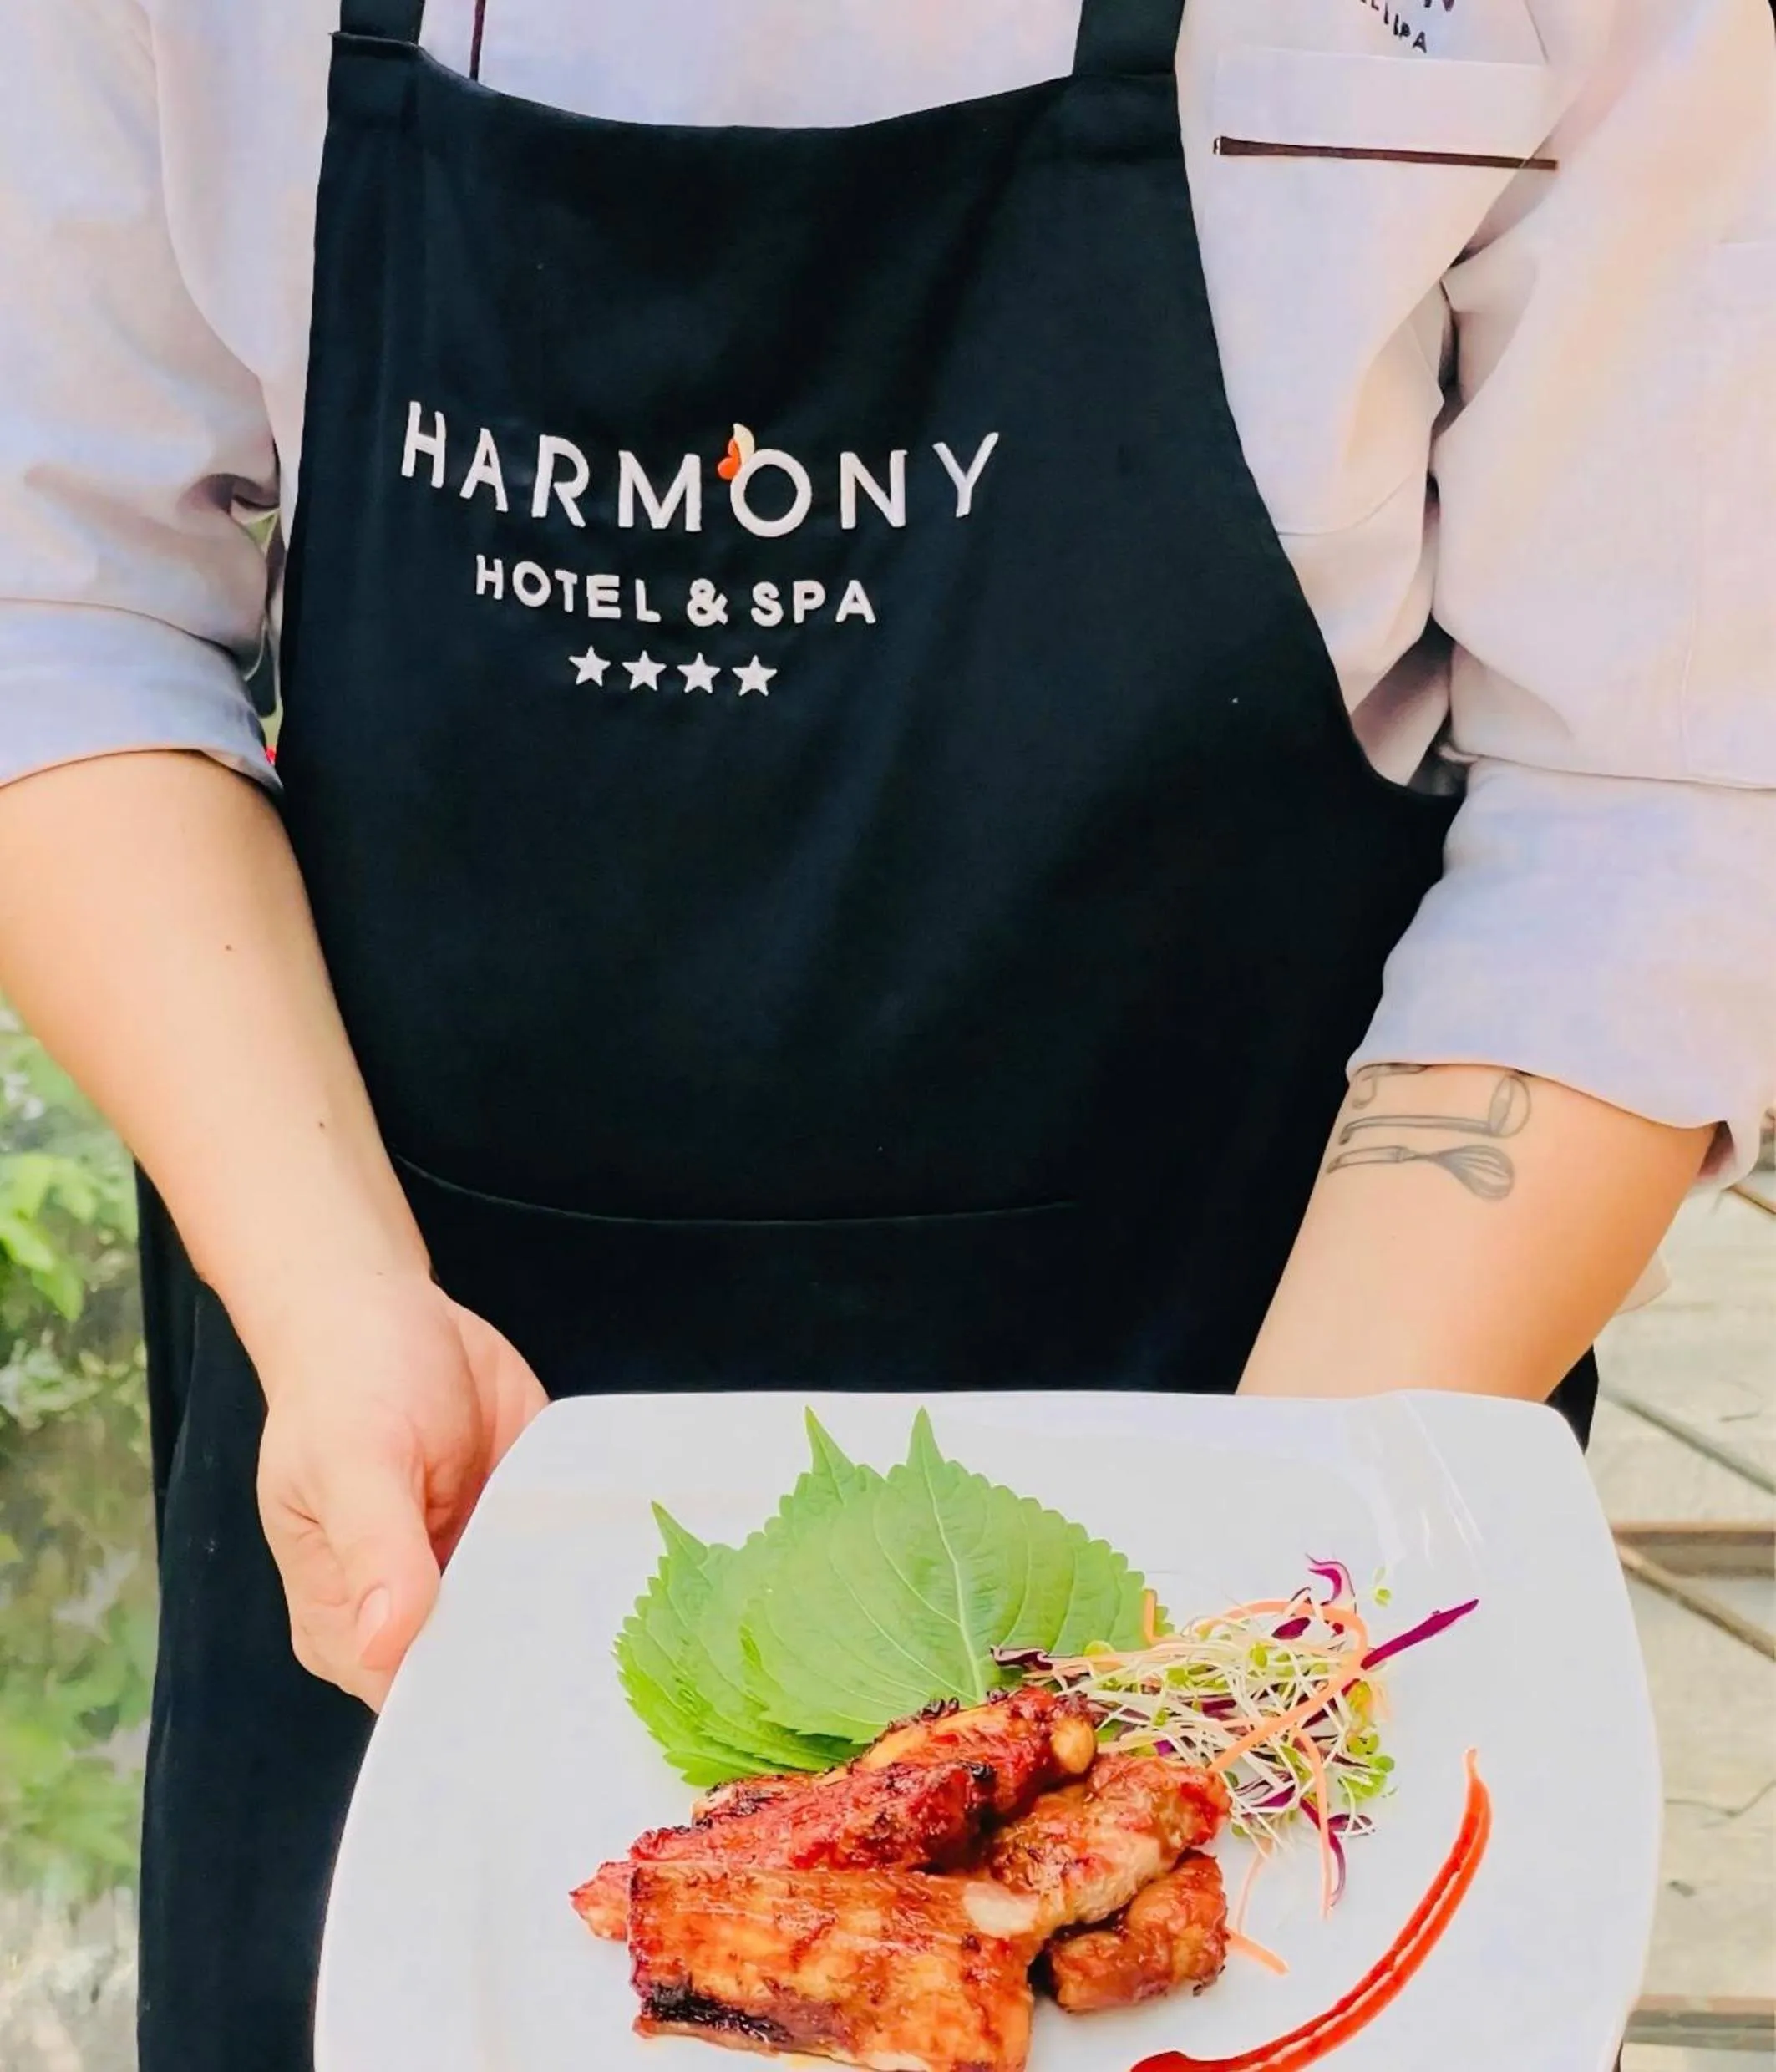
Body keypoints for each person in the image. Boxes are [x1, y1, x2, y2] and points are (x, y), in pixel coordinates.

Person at [1, 0, 1772, 2064]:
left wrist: (1197, 1708)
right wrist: (323, 1302)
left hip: (1280, 1375)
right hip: (414, 1436)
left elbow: (1655, 785)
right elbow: (69, 602)